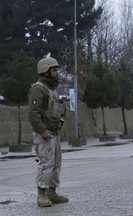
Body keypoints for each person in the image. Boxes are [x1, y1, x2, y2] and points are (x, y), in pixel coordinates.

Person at [28, 57, 69, 207]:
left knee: (56, 163)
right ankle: (42, 195)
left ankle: (52, 192)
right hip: (44, 133)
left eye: (57, 69)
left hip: (53, 132)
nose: (57, 72)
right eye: (54, 70)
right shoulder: (38, 89)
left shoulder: (51, 89)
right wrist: (42, 130)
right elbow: (34, 113)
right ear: (45, 71)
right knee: (46, 163)